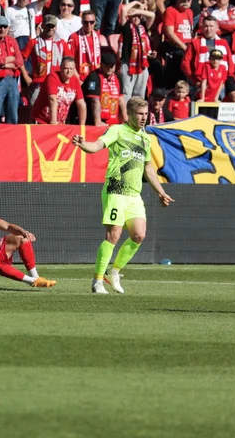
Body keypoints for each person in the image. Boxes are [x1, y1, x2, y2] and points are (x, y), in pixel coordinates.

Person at [74, 96, 173, 295]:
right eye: (140, 114)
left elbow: (148, 168)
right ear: (130, 114)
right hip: (116, 189)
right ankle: (97, 281)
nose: (144, 117)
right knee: (114, 235)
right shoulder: (117, 130)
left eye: (146, 114)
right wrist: (84, 145)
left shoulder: (145, 138)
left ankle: (115, 272)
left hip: (134, 194)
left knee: (138, 235)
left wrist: (161, 192)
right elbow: (96, 146)